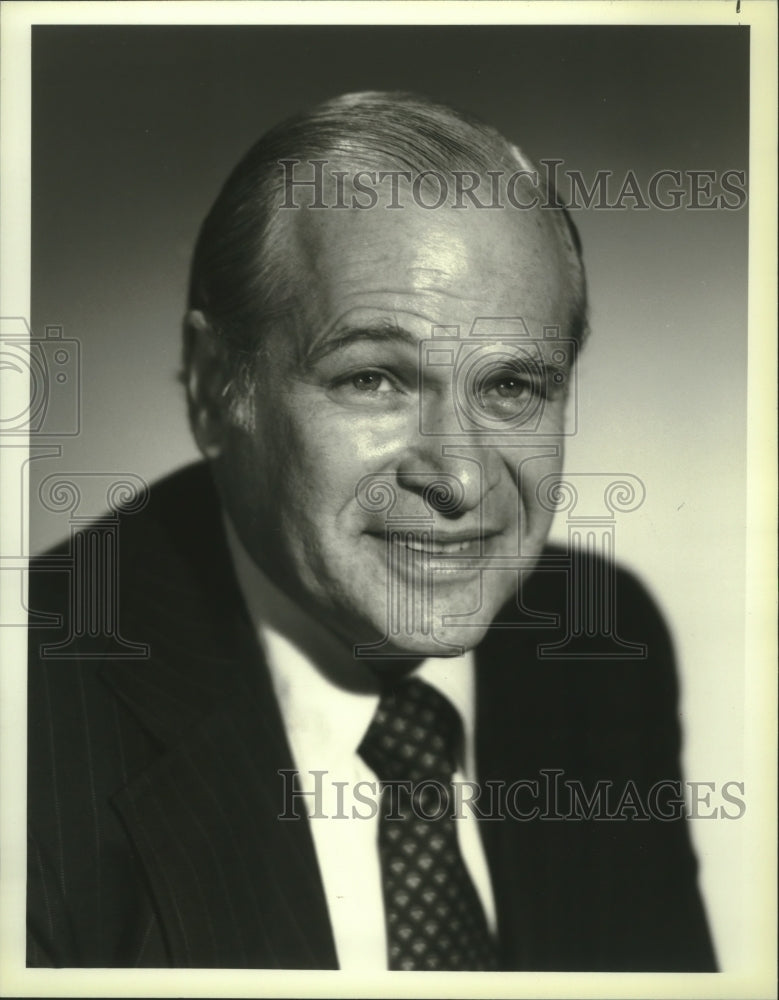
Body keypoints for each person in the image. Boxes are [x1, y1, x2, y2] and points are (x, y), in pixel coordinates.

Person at [26, 91, 717, 971]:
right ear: (212, 388)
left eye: (512, 386)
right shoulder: (35, 708)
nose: (459, 477)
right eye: (374, 380)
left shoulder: (599, 640)